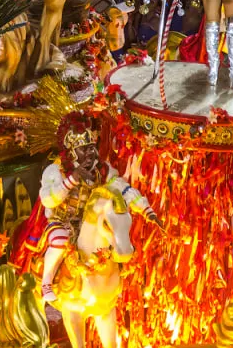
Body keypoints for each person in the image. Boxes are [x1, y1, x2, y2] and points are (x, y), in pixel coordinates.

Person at [14, 110, 154, 302]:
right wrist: (72, 179)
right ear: (72, 152)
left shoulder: (102, 170)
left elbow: (121, 187)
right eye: (83, 149)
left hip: (89, 220)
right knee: (60, 240)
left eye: (91, 147)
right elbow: (48, 199)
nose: (90, 153)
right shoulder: (56, 170)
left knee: (114, 235)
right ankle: (47, 281)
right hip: (62, 221)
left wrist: (144, 207)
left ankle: (114, 282)